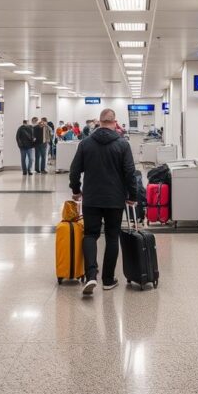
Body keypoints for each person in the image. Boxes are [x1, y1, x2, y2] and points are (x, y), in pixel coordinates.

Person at [69, 108, 137, 297]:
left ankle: (91, 275)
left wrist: (76, 190)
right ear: (115, 122)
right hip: (115, 199)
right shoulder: (123, 145)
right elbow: (130, 172)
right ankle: (108, 280)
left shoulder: (85, 143)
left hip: (91, 197)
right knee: (112, 236)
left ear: (99, 122)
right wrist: (133, 195)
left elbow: (74, 171)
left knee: (90, 235)